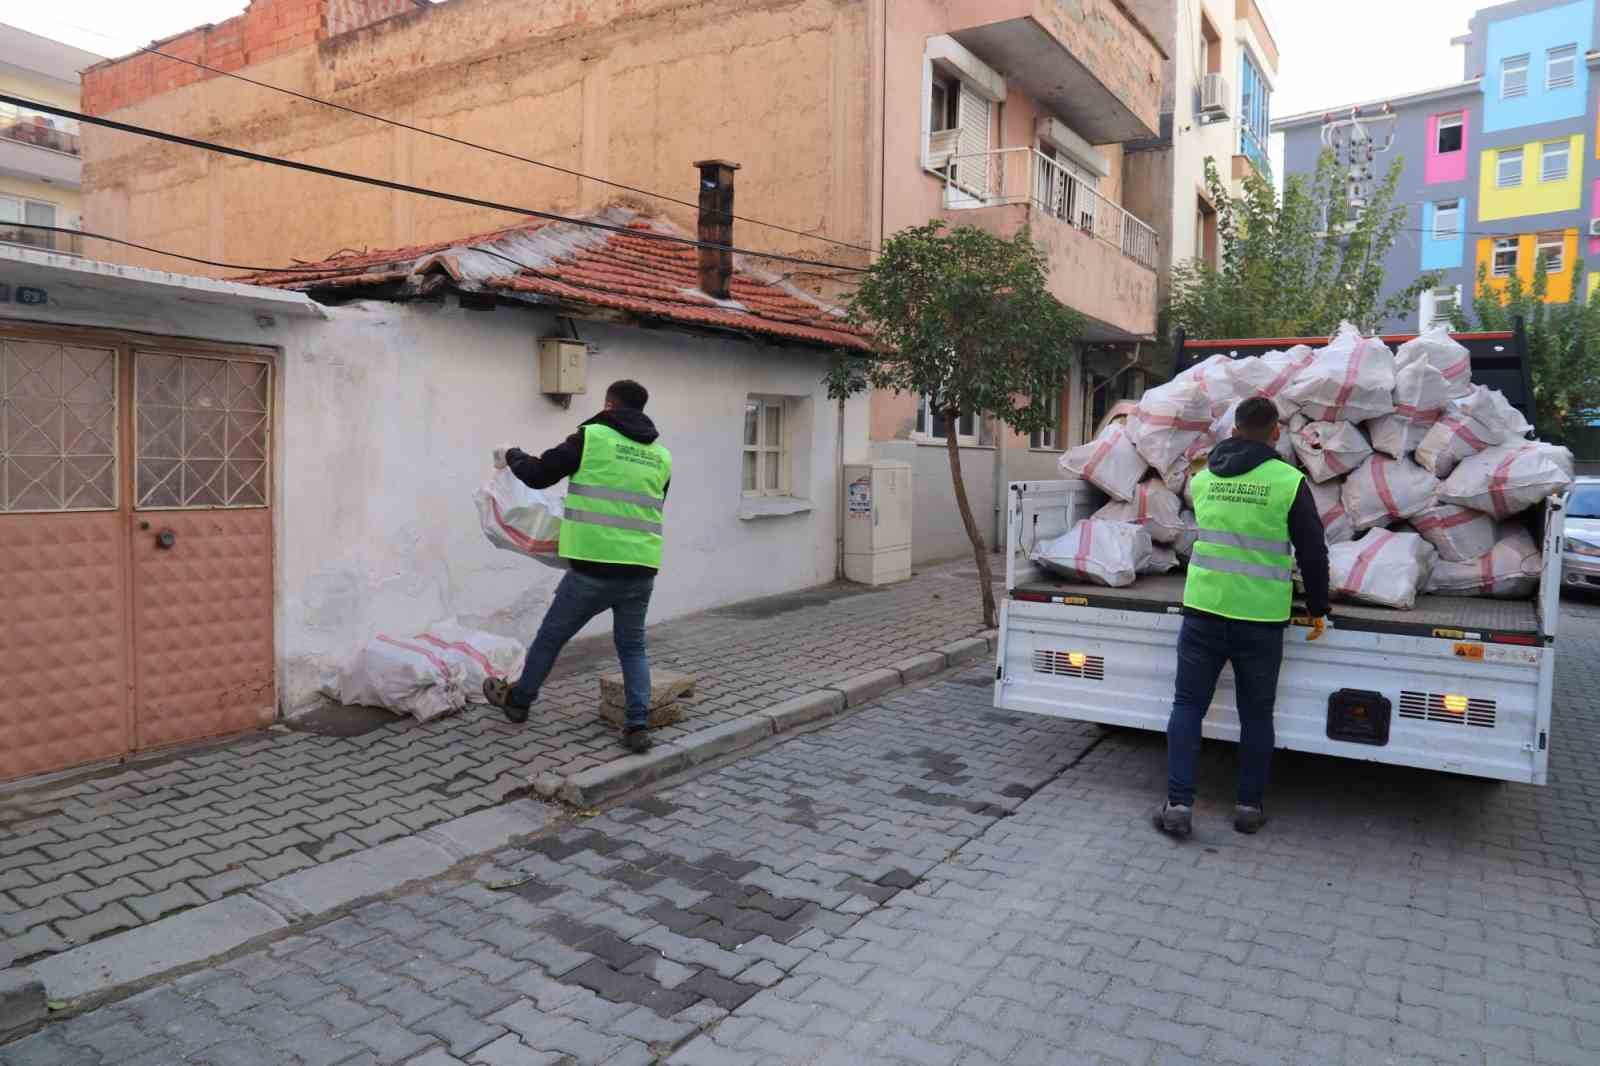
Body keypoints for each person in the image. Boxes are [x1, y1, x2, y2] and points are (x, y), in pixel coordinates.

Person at [1154, 395, 1330, 838]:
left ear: (1233, 430)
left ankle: (1178, 804)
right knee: (1256, 714)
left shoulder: (1203, 478)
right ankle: (1248, 807)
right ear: (1275, 433)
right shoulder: (1288, 482)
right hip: (1261, 618)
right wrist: (1319, 607)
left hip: (1203, 610)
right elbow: (1312, 551)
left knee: (1187, 706)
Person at [482, 380, 671, 754]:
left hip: (594, 568)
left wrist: (512, 454)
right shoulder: (661, 456)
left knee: (552, 636)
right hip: (642, 568)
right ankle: (637, 726)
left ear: (608, 403)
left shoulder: (593, 437)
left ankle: (519, 702)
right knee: (632, 647)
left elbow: (538, 475)